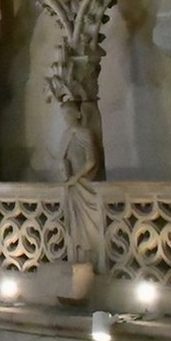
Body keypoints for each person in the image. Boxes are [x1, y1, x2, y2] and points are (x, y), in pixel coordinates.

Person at [59, 100, 101, 264]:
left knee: (90, 227)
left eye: (69, 113)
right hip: (72, 185)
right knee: (74, 225)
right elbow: (63, 158)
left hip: (84, 184)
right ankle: (77, 255)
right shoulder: (66, 135)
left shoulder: (85, 133)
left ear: (78, 114)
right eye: (64, 115)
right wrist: (64, 170)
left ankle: (91, 257)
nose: (66, 118)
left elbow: (91, 161)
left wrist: (76, 178)